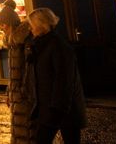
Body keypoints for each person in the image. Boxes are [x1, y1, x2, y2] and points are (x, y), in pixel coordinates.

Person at [26, 8, 86, 144]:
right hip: (50, 106)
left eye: (32, 25)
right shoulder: (41, 45)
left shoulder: (58, 47)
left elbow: (64, 80)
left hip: (60, 108)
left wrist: (57, 108)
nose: (30, 29)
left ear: (42, 25)